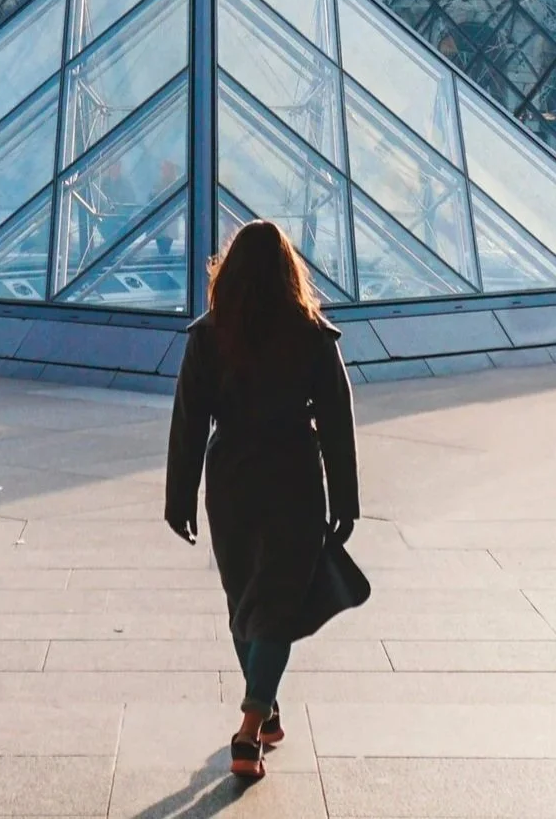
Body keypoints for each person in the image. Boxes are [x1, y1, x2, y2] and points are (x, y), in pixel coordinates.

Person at [166, 220, 369, 780]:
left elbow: (188, 421)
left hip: (230, 477)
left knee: (245, 600)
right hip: (293, 475)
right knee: (275, 602)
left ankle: (262, 709)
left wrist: (179, 498)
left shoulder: (208, 335)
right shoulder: (310, 334)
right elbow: (335, 418)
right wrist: (346, 500)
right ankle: (252, 726)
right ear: (289, 271)